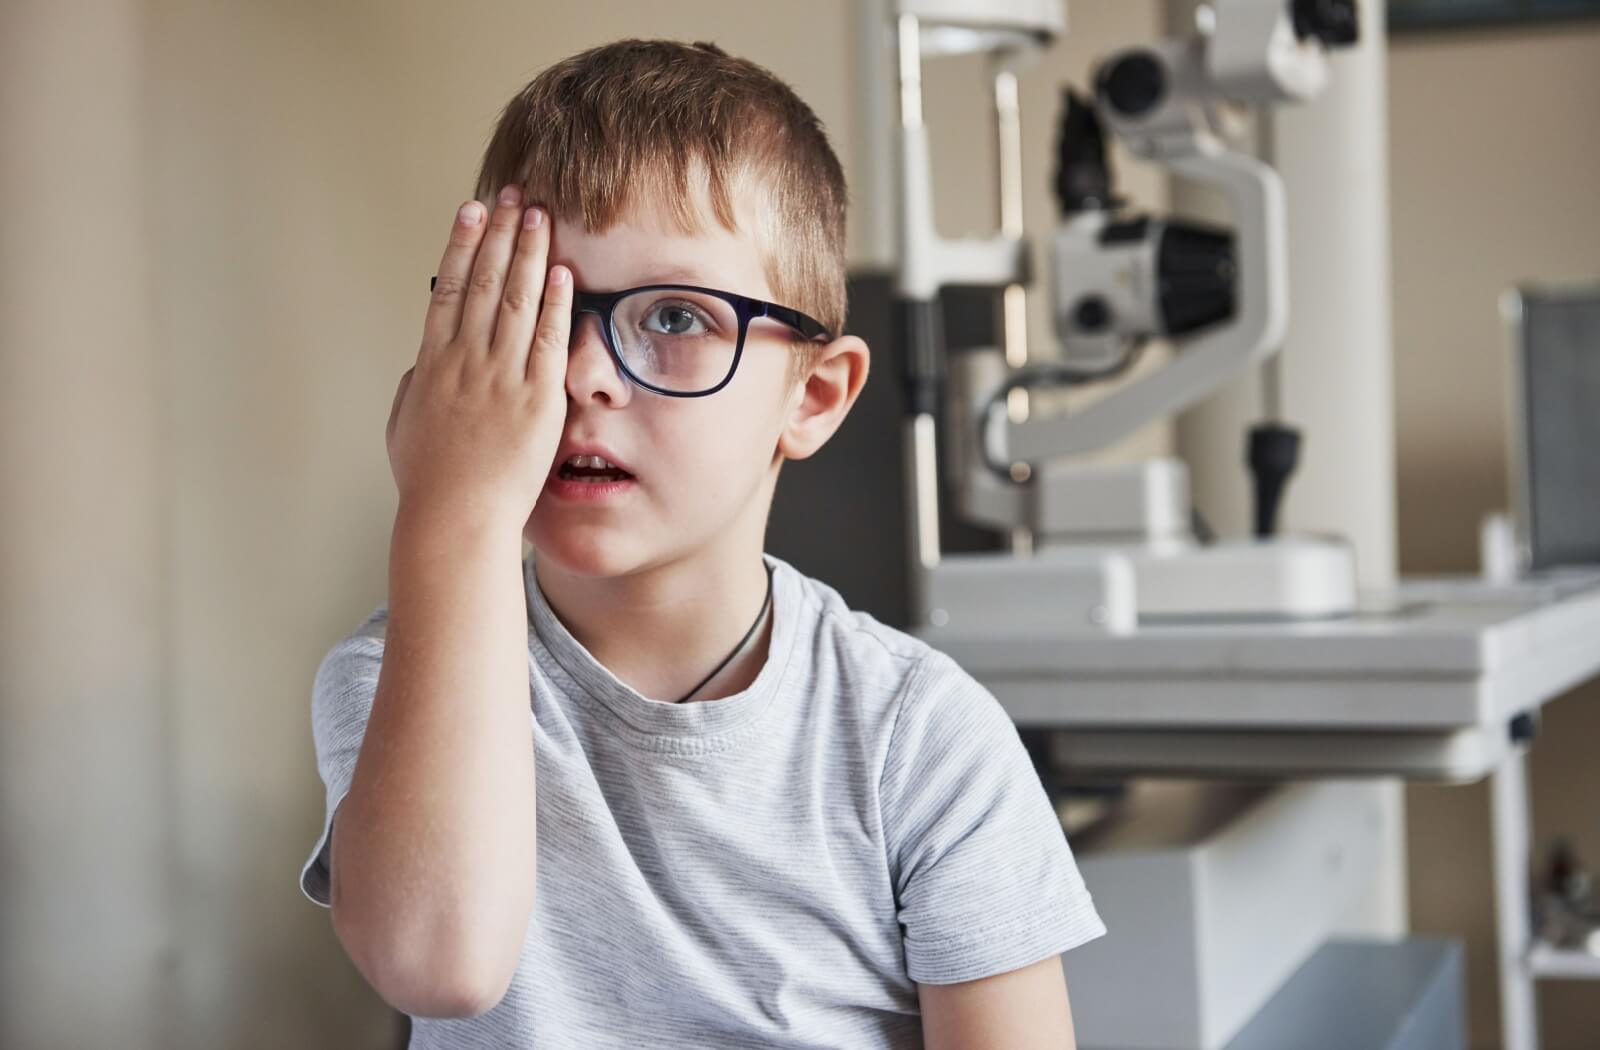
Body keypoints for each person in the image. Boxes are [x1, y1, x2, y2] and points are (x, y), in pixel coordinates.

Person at [299, 37, 1104, 1050]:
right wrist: (450, 506)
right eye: (535, 312)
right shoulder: (388, 678)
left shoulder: (919, 738)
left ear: (812, 397)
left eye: (674, 314)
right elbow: (439, 963)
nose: (583, 374)